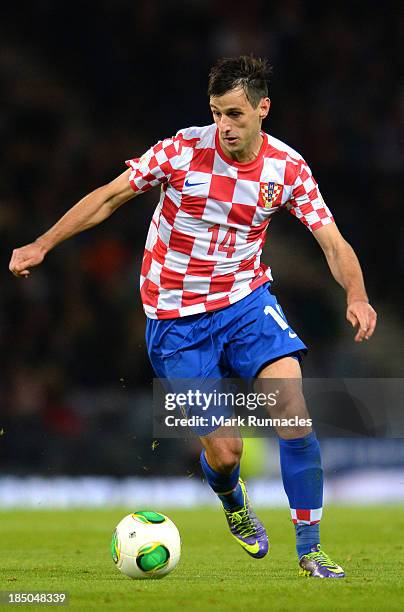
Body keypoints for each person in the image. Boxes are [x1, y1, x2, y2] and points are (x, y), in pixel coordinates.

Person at [9, 56, 377, 578]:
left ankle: (310, 550)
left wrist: (357, 295)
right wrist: (43, 243)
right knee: (226, 454)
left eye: (234, 114)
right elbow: (110, 197)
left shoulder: (288, 169)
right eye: (216, 113)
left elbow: (332, 243)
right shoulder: (181, 149)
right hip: (176, 320)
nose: (223, 127)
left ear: (262, 109)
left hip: (247, 301)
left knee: (294, 414)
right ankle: (233, 502)